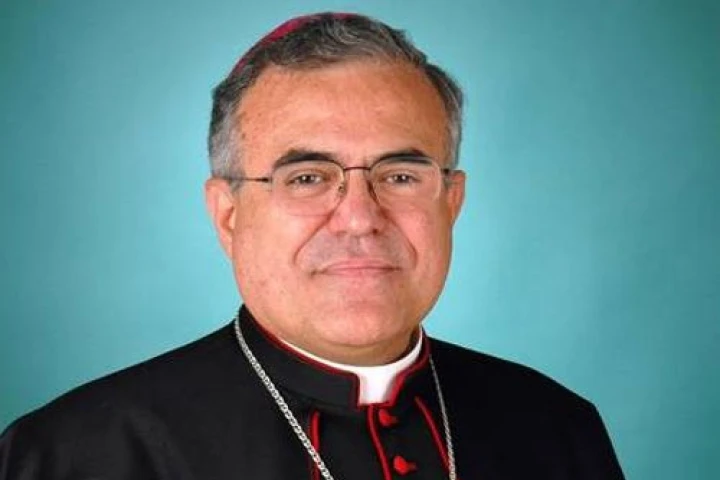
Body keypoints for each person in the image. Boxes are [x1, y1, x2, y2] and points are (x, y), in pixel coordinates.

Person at [0, 12, 625, 479]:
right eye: (306, 178)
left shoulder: (557, 429)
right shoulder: (74, 455)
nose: (359, 219)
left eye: (400, 176)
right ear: (229, 216)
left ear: (451, 202)